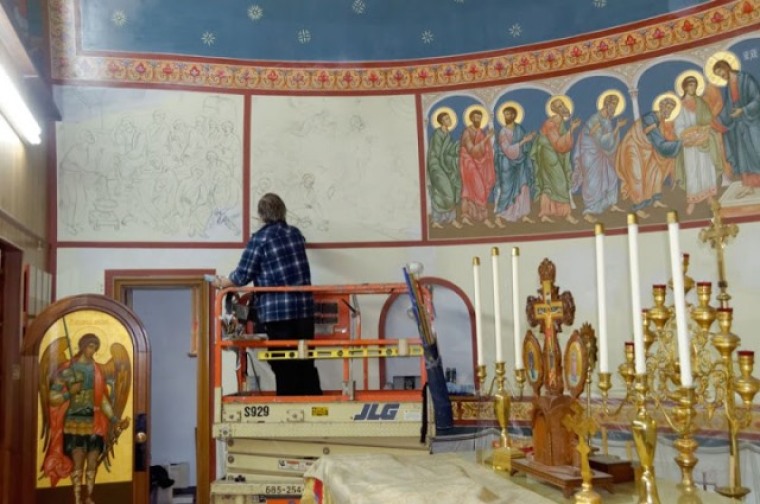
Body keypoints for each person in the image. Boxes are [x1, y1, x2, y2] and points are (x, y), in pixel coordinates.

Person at [213, 193, 322, 396]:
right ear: (283, 211)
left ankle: (291, 416)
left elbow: (241, 275)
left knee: (283, 365)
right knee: (306, 362)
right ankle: (315, 408)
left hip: (279, 314)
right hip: (305, 311)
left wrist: (221, 283)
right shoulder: (295, 234)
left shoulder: (260, 239)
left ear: (261, 215)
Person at [43, 334, 130, 504]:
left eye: (95, 348)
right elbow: (52, 397)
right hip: (75, 422)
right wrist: (70, 392)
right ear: (82, 346)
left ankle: (89, 497)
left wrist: (113, 419)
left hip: (96, 423)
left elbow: (103, 399)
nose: (93, 351)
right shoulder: (68, 370)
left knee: (91, 464)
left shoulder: (97, 370)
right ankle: (76, 499)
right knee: (78, 464)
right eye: (90, 347)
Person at [616, 94, 683, 219]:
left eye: (671, 109)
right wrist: (679, 144)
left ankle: (655, 198)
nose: (668, 111)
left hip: (646, 150)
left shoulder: (660, 122)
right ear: (661, 107)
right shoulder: (650, 118)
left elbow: (658, 143)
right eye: (667, 107)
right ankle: (638, 206)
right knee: (637, 175)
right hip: (633, 147)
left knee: (656, 168)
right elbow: (660, 144)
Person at [571, 92, 628, 223]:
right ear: (606, 105)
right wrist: (618, 127)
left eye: (616, 106)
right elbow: (602, 140)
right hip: (590, 153)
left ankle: (611, 203)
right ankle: (589, 210)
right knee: (593, 181)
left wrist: (616, 129)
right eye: (612, 106)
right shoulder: (595, 119)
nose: (614, 109)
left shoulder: (607, 120)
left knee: (612, 176)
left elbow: (608, 141)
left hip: (603, 153)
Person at [673, 73, 723, 215]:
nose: (692, 88)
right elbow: (678, 127)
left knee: (706, 167)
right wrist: (688, 133)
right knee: (692, 170)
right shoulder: (681, 106)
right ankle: (692, 201)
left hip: (703, 140)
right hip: (690, 144)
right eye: (690, 85)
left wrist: (703, 130)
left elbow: (708, 119)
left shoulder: (701, 103)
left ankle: (709, 196)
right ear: (684, 88)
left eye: (694, 85)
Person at [711, 58, 760, 198]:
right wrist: (716, 121)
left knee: (757, 151)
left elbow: (757, 99)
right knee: (743, 156)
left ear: (726, 67)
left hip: (752, 123)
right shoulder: (727, 87)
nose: (721, 75)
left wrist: (743, 110)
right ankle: (749, 186)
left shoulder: (745, 79)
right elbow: (728, 108)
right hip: (739, 126)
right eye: (718, 74)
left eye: (721, 71)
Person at [531, 96, 582, 224]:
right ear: (554, 109)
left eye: (563, 104)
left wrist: (569, 130)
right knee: (560, 182)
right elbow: (558, 144)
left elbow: (564, 145)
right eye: (559, 106)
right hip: (547, 154)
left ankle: (546, 213)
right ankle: (565, 214)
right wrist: (572, 129)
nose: (563, 108)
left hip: (554, 153)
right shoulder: (550, 124)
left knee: (549, 184)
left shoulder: (561, 123)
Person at [493, 104, 537, 225]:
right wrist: (524, 141)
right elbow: (507, 150)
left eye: (508, 114)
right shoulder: (503, 132)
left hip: (521, 162)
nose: (506, 116)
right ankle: (499, 216)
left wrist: (529, 139)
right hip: (507, 164)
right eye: (505, 114)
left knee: (523, 187)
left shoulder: (519, 129)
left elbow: (525, 147)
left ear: (514, 115)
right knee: (507, 190)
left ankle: (523, 214)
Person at [459, 108, 496, 227]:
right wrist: (487, 138)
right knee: (476, 188)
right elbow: (472, 150)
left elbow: (485, 150)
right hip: (468, 162)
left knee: (478, 189)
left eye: (480, 117)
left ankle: (473, 216)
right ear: (471, 118)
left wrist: (486, 158)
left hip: (479, 162)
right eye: (476, 117)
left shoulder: (480, 132)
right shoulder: (467, 132)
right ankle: (481, 217)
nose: (478, 119)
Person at [426, 110, 463, 229]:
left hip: (447, 167)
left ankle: (451, 219)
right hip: (436, 167)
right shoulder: (438, 134)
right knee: (442, 193)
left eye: (449, 118)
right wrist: (437, 168)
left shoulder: (447, 134)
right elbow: (436, 153)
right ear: (441, 121)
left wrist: (457, 146)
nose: (449, 120)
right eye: (447, 118)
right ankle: (436, 220)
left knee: (451, 191)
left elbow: (449, 151)